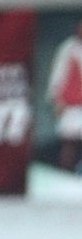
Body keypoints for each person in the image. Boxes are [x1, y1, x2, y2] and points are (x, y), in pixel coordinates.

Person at [50, 20, 82, 174]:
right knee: (69, 144)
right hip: (71, 105)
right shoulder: (68, 48)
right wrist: (58, 100)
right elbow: (58, 75)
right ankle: (66, 175)